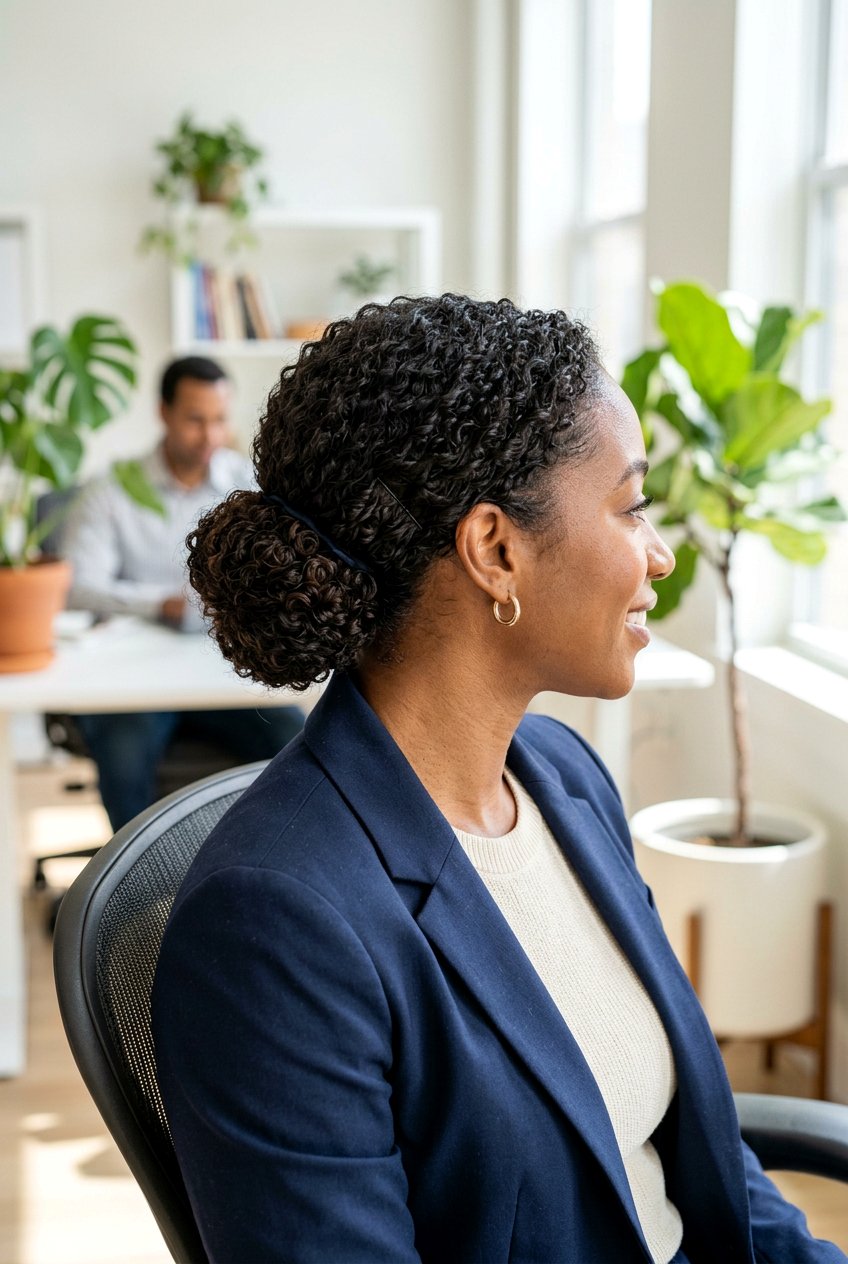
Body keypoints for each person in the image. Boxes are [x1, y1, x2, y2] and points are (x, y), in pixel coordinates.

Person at [152, 297, 845, 1263]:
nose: (661, 553)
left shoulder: (564, 779)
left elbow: (701, 1153)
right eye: (631, 505)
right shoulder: (275, 925)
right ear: (495, 549)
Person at [61, 355, 303, 831]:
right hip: (136, 678)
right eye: (195, 420)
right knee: (125, 757)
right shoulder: (114, 487)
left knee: (297, 738)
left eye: (218, 420)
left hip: (225, 670)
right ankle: (136, 897)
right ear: (163, 413)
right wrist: (162, 604)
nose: (210, 435)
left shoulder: (248, 484)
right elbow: (78, 587)